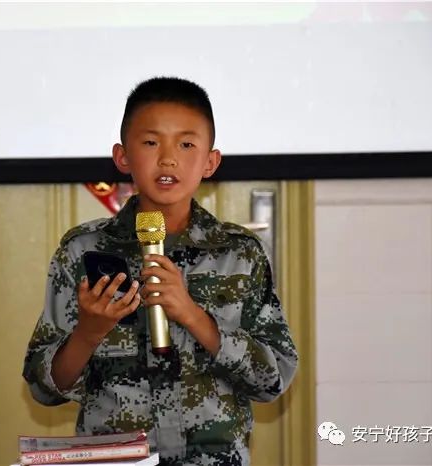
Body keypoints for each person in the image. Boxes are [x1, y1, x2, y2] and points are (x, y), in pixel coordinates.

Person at [23, 77, 298, 466]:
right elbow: (43, 388)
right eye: (151, 142)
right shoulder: (85, 251)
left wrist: (192, 315)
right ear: (122, 157)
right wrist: (88, 333)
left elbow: (273, 380)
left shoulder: (239, 254)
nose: (168, 159)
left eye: (186, 145)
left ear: (210, 162)